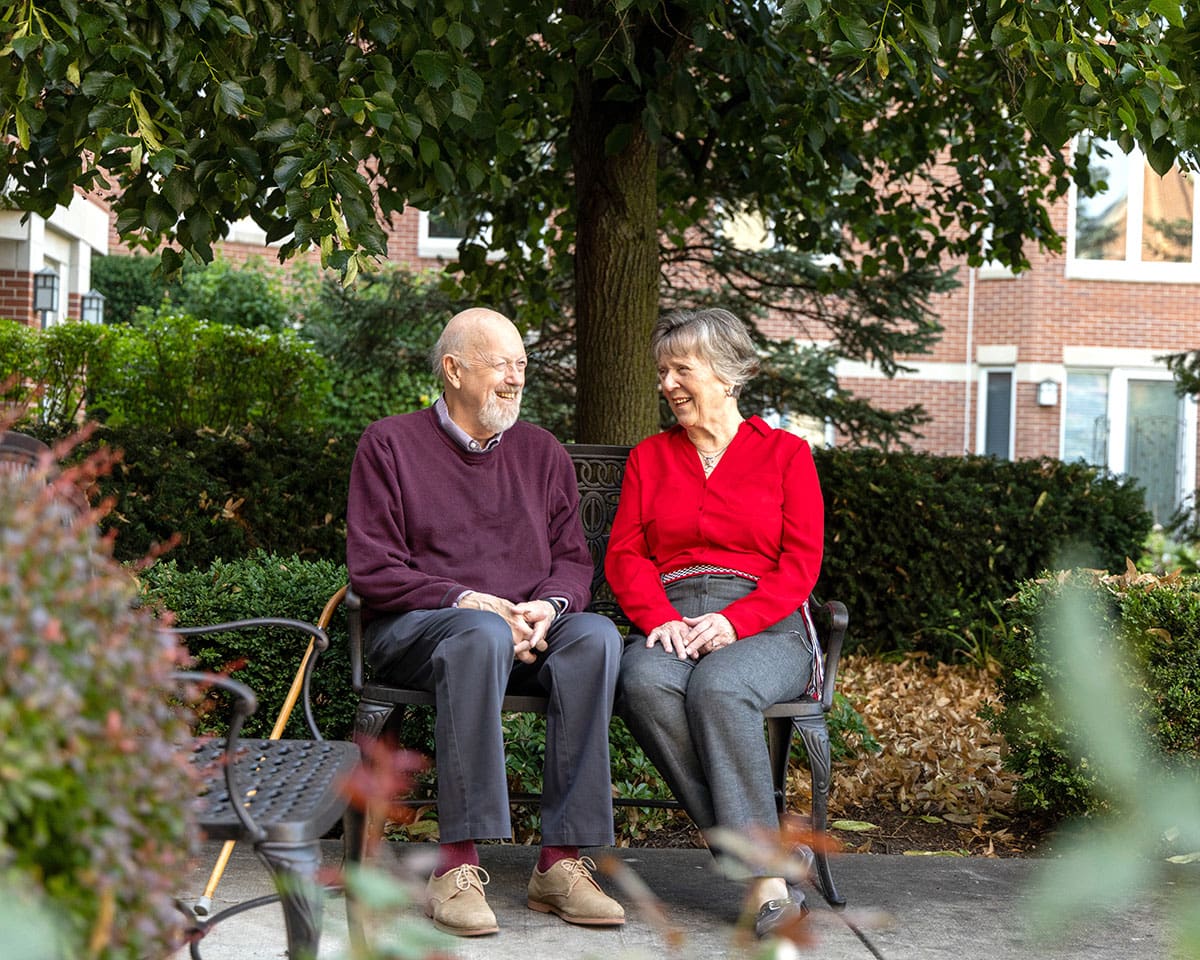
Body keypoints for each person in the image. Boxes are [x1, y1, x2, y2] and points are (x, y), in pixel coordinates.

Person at [346, 307, 625, 937]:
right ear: (452, 371)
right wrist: (468, 600)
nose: (515, 378)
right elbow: (372, 569)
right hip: (423, 629)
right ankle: (456, 864)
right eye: (501, 364)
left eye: (521, 365)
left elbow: (572, 561)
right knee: (478, 634)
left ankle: (560, 863)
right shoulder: (389, 444)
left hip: (527, 626)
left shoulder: (542, 451)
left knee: (597, 638)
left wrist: (547, 607)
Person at [604, 307, 825, 939]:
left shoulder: (786, 454)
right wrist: (661, 619)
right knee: (642, 679)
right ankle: (772, 864)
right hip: (673, 616)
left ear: (727, 375)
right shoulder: (651, 457)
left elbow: (801, 563)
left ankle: (765, 886)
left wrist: (734, 621)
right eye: (661, 371)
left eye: (681, 369)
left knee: (721, 686)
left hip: (768, 622)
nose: (667, 384)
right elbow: (625, 554)